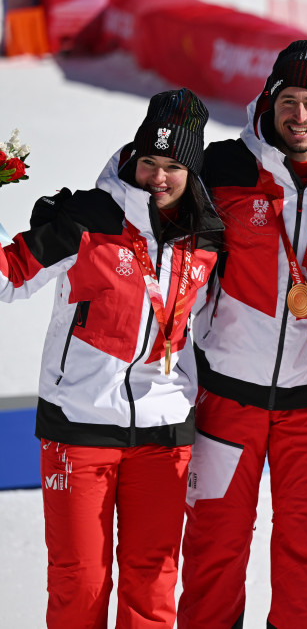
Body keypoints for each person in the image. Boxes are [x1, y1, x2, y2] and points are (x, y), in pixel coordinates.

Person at [178, 40, 307, 629]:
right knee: (214, 549)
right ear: (270, 99)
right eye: (289, 100)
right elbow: (149, 186)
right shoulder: (221, 166)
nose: (300, 116)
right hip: (228, 395)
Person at [0, 89, 222, 627]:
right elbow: (8, 279)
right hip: (79, 425)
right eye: (149, 162)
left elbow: (216, 327)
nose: (158, 178)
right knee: (81, 580)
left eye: (173, 166)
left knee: (153, 581)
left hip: (164, 432)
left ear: (192, 172)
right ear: (131, 158)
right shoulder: (86, 218)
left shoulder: (209, 237)